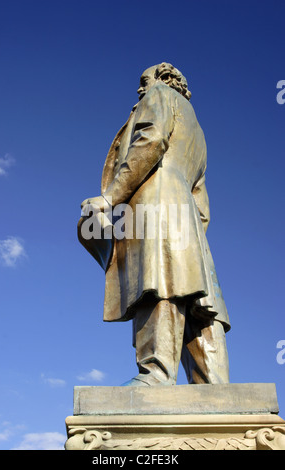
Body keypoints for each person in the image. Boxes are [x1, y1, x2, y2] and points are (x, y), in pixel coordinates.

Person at [80, 63, 230, 386]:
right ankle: (215, 387)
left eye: (143, 81)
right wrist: (192, 239)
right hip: (187, 218)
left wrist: (110, 198)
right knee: (198, 300)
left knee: (158, 280)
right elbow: (202, 204)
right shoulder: (197, 131)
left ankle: (156, 371)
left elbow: (150, 140)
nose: (140, 89)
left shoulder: (159, 95)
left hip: (156, 203)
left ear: (163, 79)